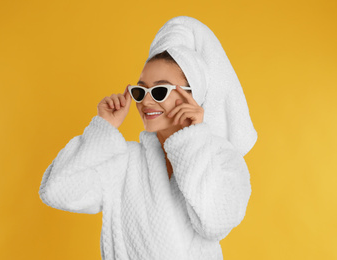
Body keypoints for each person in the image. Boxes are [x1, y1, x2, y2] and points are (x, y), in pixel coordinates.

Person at [39, 16, 256, 260]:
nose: (146, 101)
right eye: (140, 90)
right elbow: (56, 191)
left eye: (160, 90)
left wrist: (193, 141)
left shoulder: (224, 158)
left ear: (192, 95)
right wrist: (103, 127)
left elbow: (215, 222)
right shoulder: (125, 160)